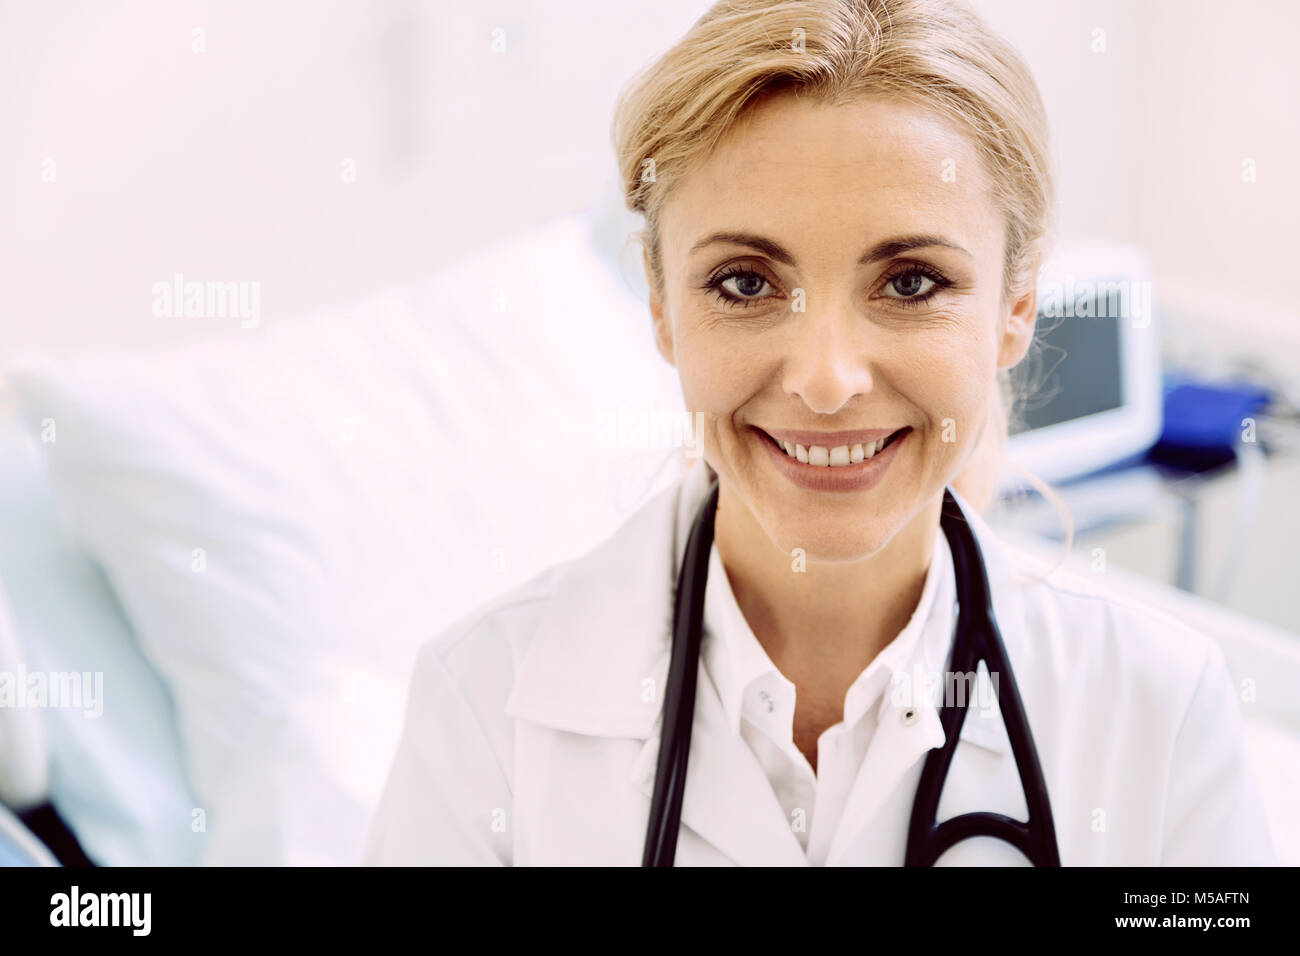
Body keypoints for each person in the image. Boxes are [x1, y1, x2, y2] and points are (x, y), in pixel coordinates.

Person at [363, 0, 1276, 866]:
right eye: (746, 284)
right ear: (660, 302)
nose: (828, 381)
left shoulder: (1159, 711)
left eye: (912, 282)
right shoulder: (485, 709)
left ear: (1017, 304)